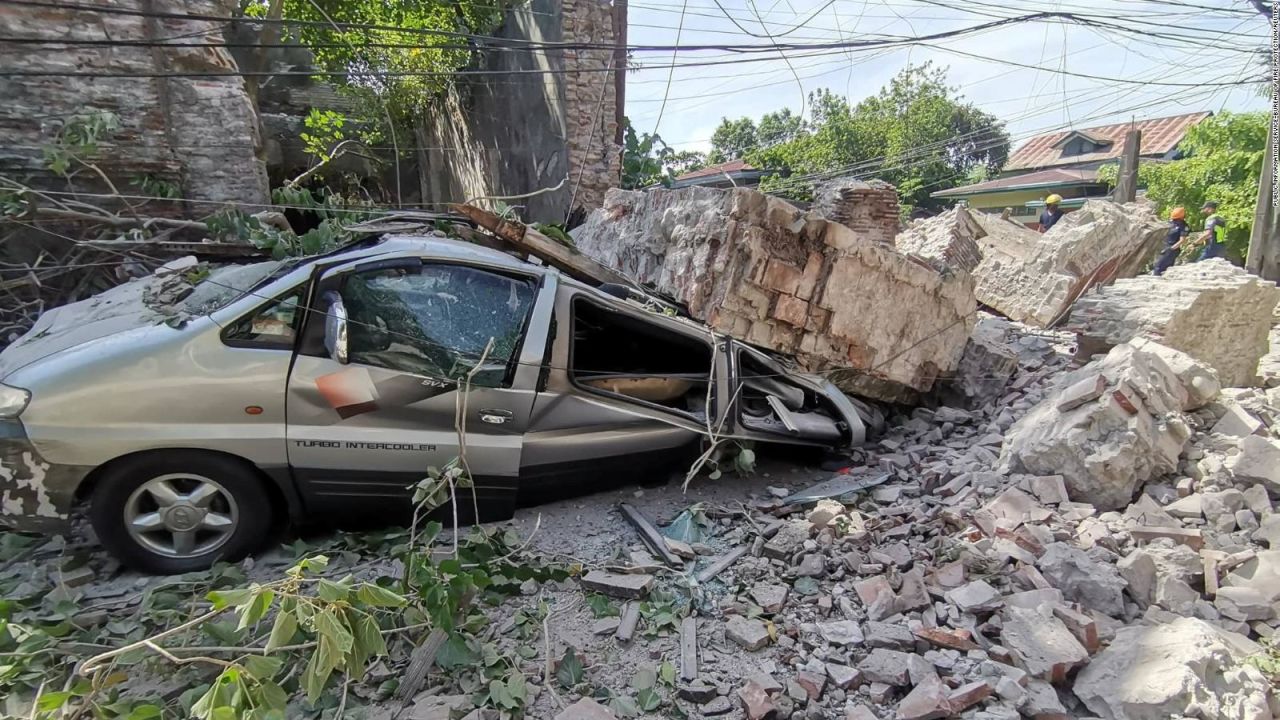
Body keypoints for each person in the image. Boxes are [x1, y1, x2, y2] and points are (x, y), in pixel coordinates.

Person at [1153, 207, 1188, 276]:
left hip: (1172, 249)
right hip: (1164, 246)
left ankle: (1156, 281)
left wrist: (1171, 249)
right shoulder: (1170, 223)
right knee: (1160, 266)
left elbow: (1182, 240)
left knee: (1159, 266)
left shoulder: (1183, 226)